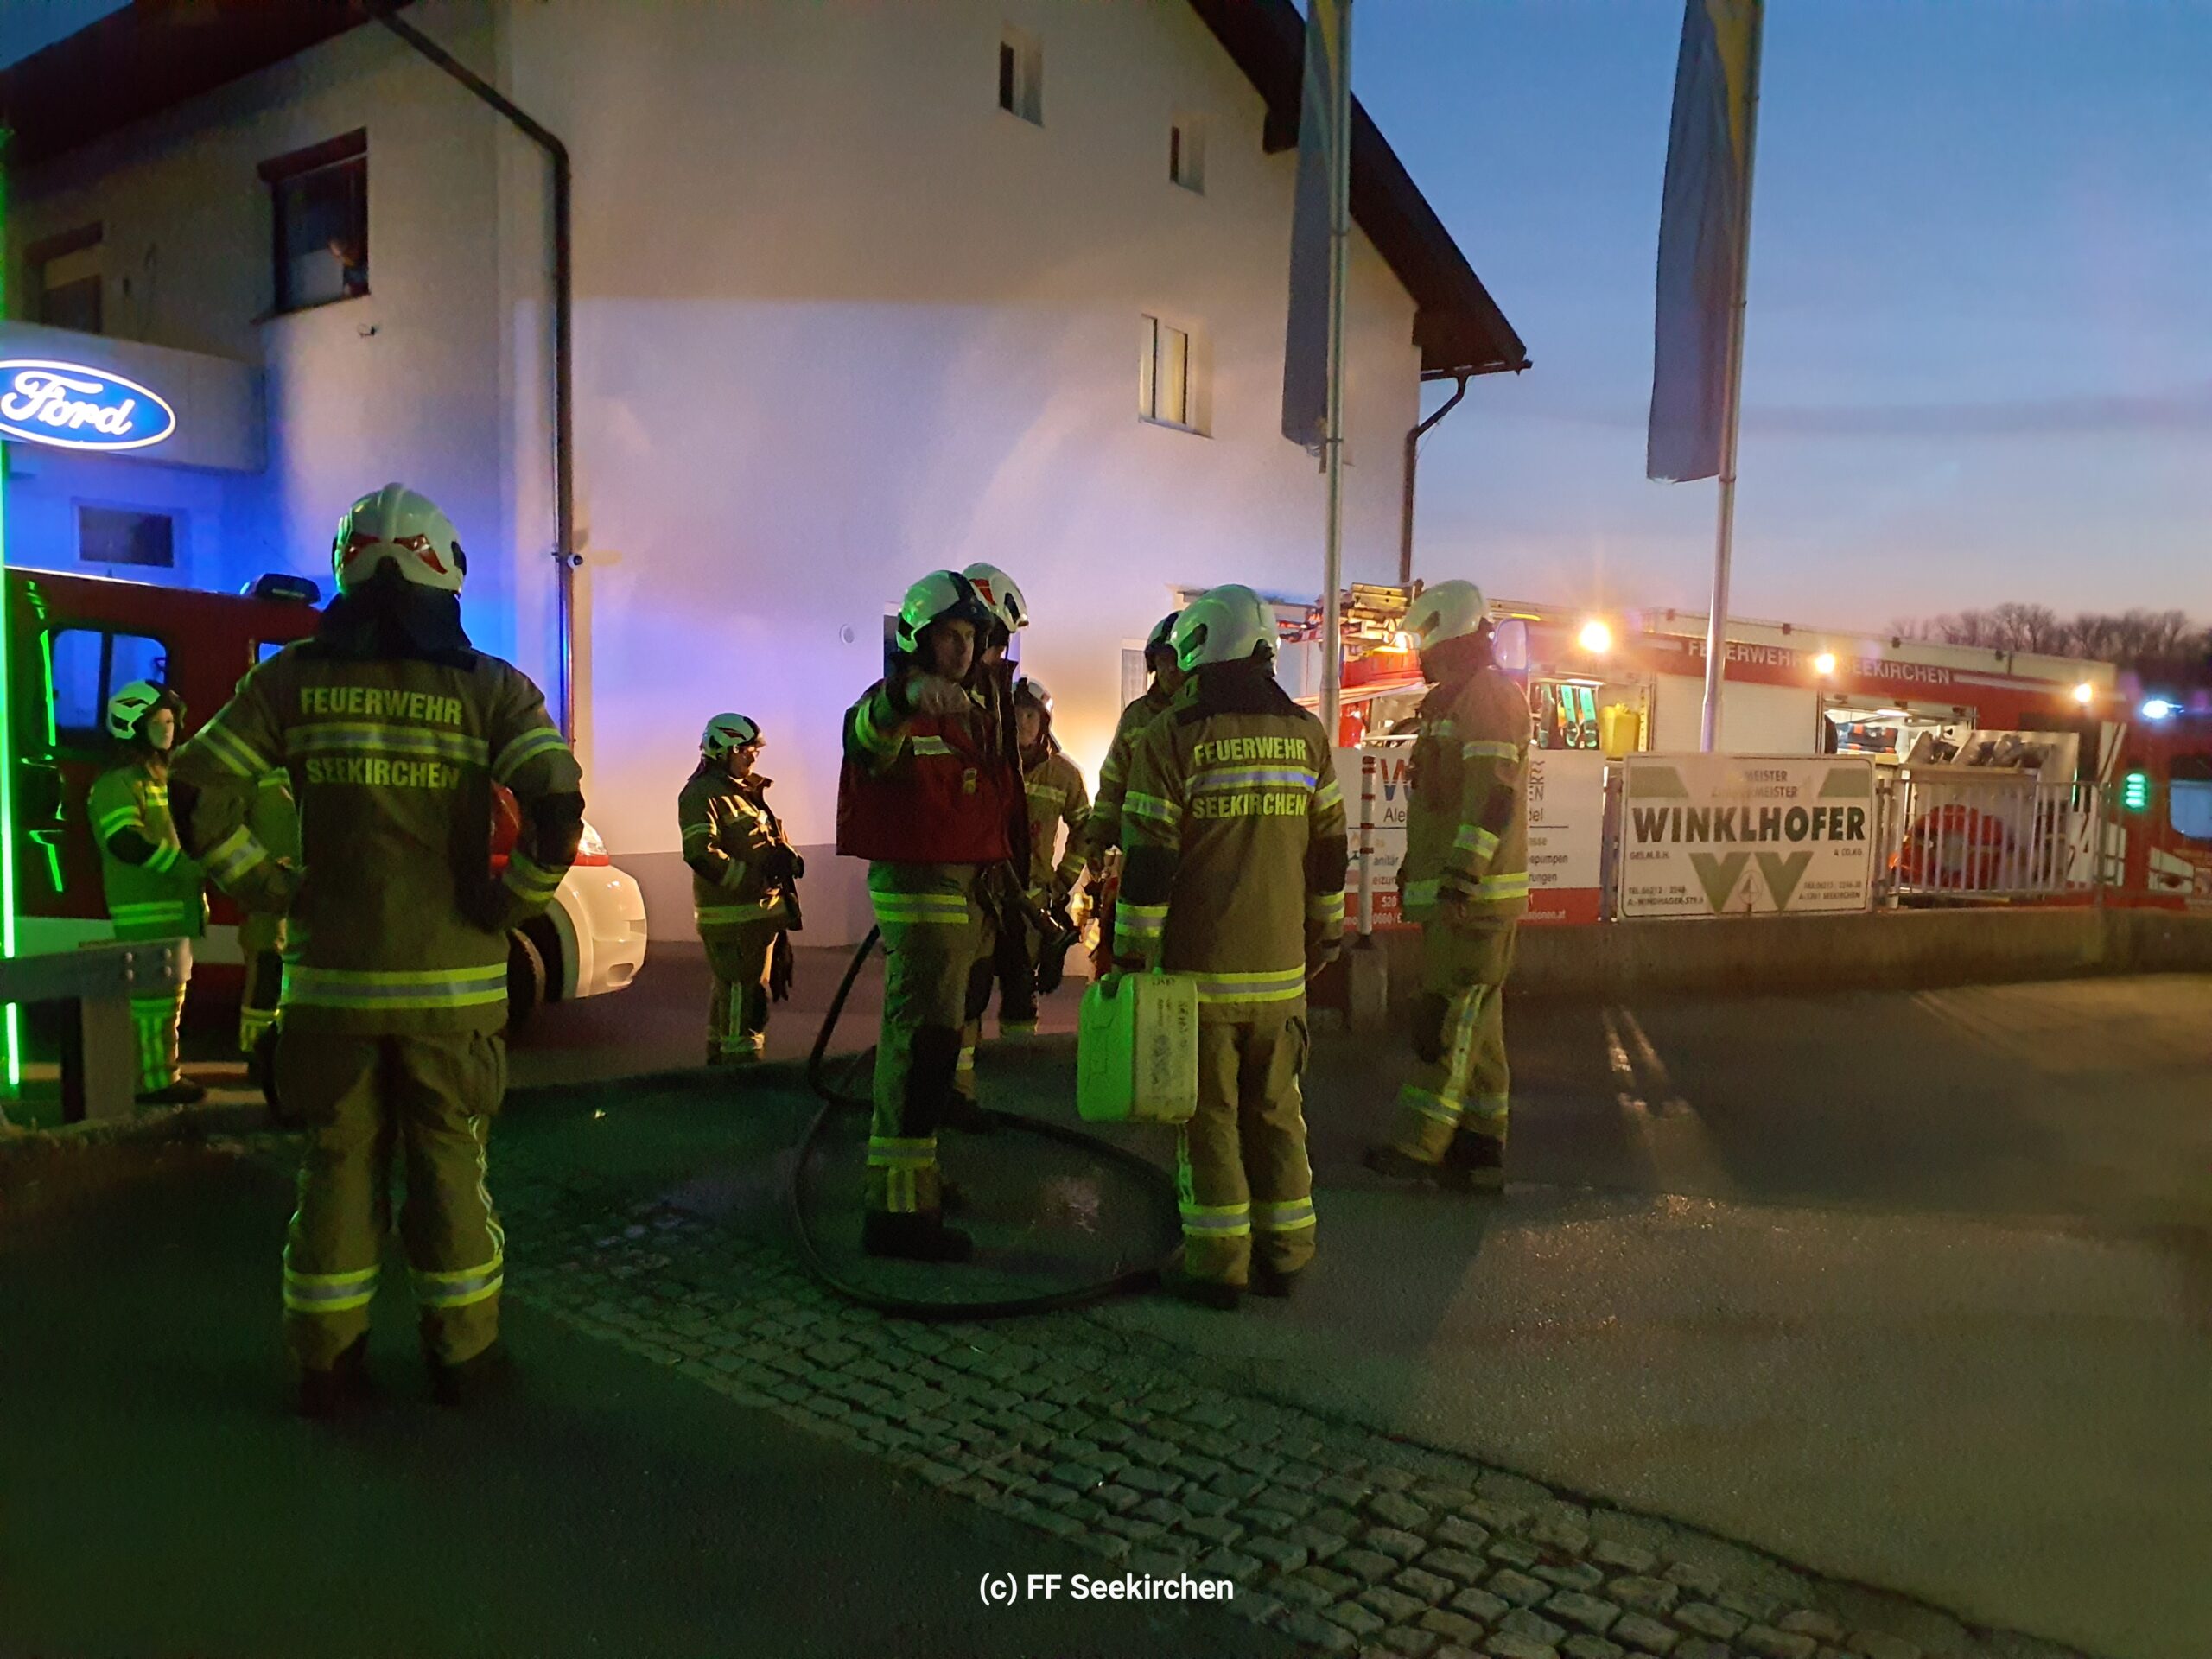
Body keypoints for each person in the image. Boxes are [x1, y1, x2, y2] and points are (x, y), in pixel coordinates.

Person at [174, 481, 583, 1416]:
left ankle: (328, 1366)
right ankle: (465, 1361)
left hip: (332, 989)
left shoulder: (290, 681)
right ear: (448, 576)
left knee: (336, 1169)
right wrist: (509, 904)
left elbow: (197, 793)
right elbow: (556, 809)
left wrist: (272, 886)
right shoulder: (492, 689)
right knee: (450, 1171)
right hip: (453, 995)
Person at [1116, 584, 1345, 1309]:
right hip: (1281, 975)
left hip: (1201, 977)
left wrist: (1130, 955)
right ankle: (1288, 1253)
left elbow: (1149, 862)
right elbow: (1330, 850)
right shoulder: (1307, 734)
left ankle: (1218, 1267)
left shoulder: (1171, 736)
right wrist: (1325, 930)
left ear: (1198, 648)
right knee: (1277, 1111)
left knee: (1210, 1118)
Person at [837, 570, 1013, 1262]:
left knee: (935, 1050)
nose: (962, 649)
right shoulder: (894, 704)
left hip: (962, 897)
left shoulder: (969, 710)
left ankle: (918, 1183)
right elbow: (867, 738)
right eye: (948, 635)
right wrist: (902, 697)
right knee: (920, 1051)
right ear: (917, 639)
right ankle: (899, 1213)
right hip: (921, 898)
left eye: (970, 635)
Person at [1363, 579, 1529, 1193]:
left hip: (1474, 900)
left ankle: (1419, 1143)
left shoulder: (1488, 698)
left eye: (1422, 641)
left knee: (1447, 1020)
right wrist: (1422, 868)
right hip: (1461, 896)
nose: (1419, 654)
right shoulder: (1456, 701)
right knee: (1478, 1027)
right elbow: (1440, 802)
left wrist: (1460, 877)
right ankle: (1480, 1146)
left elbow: (1491, 799)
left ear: (1446, 632)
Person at [89, 680, 207, 1106]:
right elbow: (124, 841)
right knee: (151, 1002)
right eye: (159, 722)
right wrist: (182, 867)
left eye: (171, 721)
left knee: (167, 999)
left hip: (173, 909)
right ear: (131, 727)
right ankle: (153, 1082)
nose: (169, 730)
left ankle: (160, 1075)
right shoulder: (118, 783)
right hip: (145, 910)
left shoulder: (161, 780)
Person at [677, 712, 800, 1065]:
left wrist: (787, 858)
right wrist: (757, 879)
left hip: (755, 920)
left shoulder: (743, 793)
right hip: (733, 922)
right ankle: (739, 1073)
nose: (753, 757)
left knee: (733, 995)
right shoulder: (702, 795)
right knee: (743, 1003)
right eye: (746, 750)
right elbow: (700, 854)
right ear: (723, 750)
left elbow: (760, 842)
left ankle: (719, 1067)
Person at [952, 561, 1030, 1110]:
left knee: (974, 990)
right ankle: (928, 1111)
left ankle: (959, 1093)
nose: (998, 653)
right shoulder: (932, 694)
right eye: (994, 640)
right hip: (950, 877)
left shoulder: (990, 693)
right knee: (942, 1001)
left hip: (985, 872)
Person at [989, 677, 1088, 1037]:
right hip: (985, 897)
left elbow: (1085, 829)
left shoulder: (1064, 775)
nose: (1023, 723)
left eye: (1031, 715)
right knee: (970, 987)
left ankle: (1018, 1057)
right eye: (1016, 714)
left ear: (1044, 721)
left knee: (1020, 991)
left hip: (1031, 903)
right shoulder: (990, 766)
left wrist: (1062, 882)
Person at [1084, 610, 1183, 971]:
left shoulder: (1203, 719)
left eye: (1178, 659)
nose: (1171, 669)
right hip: (1140, 851)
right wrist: (1097, 836)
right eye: (1164, 659)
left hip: (1190, 855)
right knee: (1132, 951)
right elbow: (1113, 782)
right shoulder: (1137, 717)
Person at [238, 768, 299, 1069]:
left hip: (301, 890)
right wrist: (262, 871)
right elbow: (228, 831)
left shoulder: (297, 769)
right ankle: (257, 1054)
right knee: (267, 969)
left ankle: (276, 1052)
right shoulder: (256, 774)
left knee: (283, 977)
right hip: (267, 890)